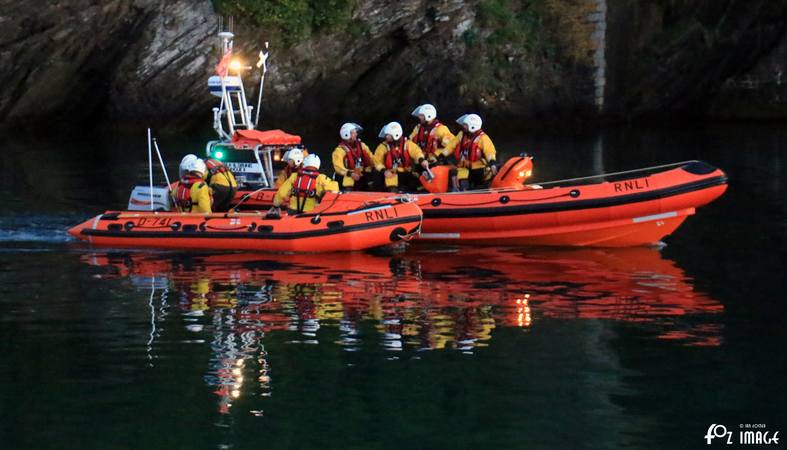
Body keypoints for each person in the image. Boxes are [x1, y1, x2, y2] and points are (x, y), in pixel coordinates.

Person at [268, 154, 339, 216]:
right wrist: (323, 197)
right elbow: (334, 190)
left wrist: (275, 206)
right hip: (311, 212)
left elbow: (281, 193)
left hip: (293, 210)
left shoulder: (294, 176)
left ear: (304, 163)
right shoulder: (321, 178)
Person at [445, 114, 497, 191]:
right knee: (455, 173)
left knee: (478, 183)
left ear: (472, 126)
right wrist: (442, 155)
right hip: (465, 165)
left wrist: (492, 163)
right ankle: (460, 190)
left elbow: (489, 152)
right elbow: (451, 146)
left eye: (465, 125)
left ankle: (477, 190)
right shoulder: (462, 135)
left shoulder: (483, 138)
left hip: (479, 168)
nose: (463, 127)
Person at [373, 121, 430, 192]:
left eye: (388, 135)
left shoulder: (407, 144)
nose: (386, 136)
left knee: (418, 185)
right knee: (380, 181)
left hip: (405, 174)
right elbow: (377, 162)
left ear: (395, 135)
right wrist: (384, 171)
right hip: (390, 174)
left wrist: (422, 160)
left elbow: (417, 152)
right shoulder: (383, 147)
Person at [331, 122, 375, 191]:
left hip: (360, 175)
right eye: (354, 133)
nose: (356, 134)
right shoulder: (339, 150)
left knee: (373, 176)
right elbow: (338, 168)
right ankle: (347, 194)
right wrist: (350, 173)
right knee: (347, 179)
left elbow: (372, 159)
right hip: (348, 177)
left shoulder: (362, 146)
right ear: (346, 134)